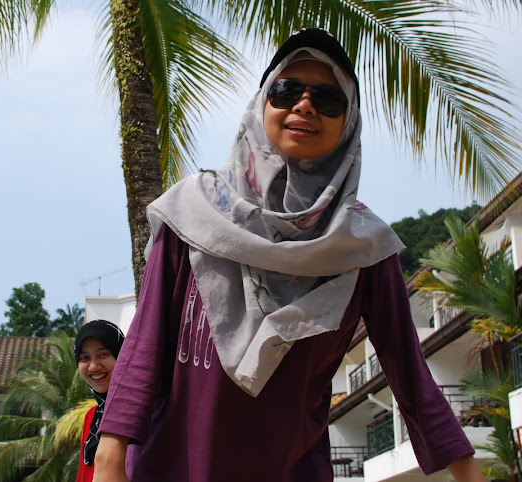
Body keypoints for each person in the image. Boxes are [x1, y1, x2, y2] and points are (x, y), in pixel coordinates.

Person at [92, 28, 486, 481]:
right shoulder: (192, 213)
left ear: (349, 122)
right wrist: (109, 456)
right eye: (286, 90)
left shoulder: (364, 248)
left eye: (329, 98)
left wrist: (469, 473)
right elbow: (145, 344)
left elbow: (411, 378)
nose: (305, 105)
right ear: (263, 103)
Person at [74, 319, 126, 482]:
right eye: (84, 358)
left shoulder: (138, 413)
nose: (93, 366)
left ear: (121, 355)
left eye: (103, 354)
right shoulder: (91, 417)